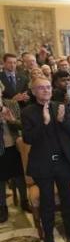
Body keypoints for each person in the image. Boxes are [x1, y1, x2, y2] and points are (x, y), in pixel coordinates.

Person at [21, 77, 70, 242]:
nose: (46, 90)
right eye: (41, 88)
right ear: (34, 92)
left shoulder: (60, 106)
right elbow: (28, 139)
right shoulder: (28, 112)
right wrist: (45, 122)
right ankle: (48, 235)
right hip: (43, 165)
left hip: (63, 161)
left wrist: (63, 119)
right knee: (47, 201)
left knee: (67, 198)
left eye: (48, 87)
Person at [0, 91, 28, 222]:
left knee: (20, 175)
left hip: (15, 146)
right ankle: (2, 207)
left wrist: (11, 120)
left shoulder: (12, 104)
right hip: (1, 149)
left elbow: (22, 125)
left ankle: (24, 201)